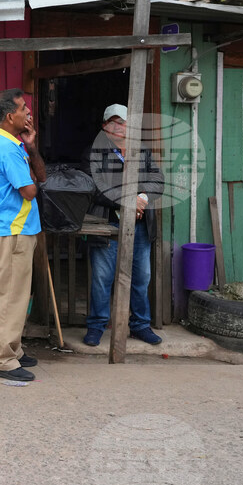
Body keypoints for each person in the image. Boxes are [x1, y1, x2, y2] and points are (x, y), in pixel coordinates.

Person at [82, 104, 165, 347]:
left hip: (140, 226)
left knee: (141, 278)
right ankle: (96, 326)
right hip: (106, 223)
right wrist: (128, 200)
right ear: (105, 127)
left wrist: (143, 198)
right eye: (115, 123)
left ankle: (140, 325)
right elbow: (93, 187)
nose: (121, 128)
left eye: (125, 123)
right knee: (101, 278)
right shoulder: (93, 152)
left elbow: (157, 179)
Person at [0, 89, 46, 382]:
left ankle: (13, 350)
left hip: (16, 230)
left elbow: (40, 177)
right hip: (11, 232)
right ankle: (3, 360)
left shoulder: (11, 143)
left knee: (17, 295)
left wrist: (32, 149)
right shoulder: (6, 148)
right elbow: (31, 190)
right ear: (11, 116)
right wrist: (31, 173)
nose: (29, 114)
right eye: (24, 109)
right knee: (9, 296)